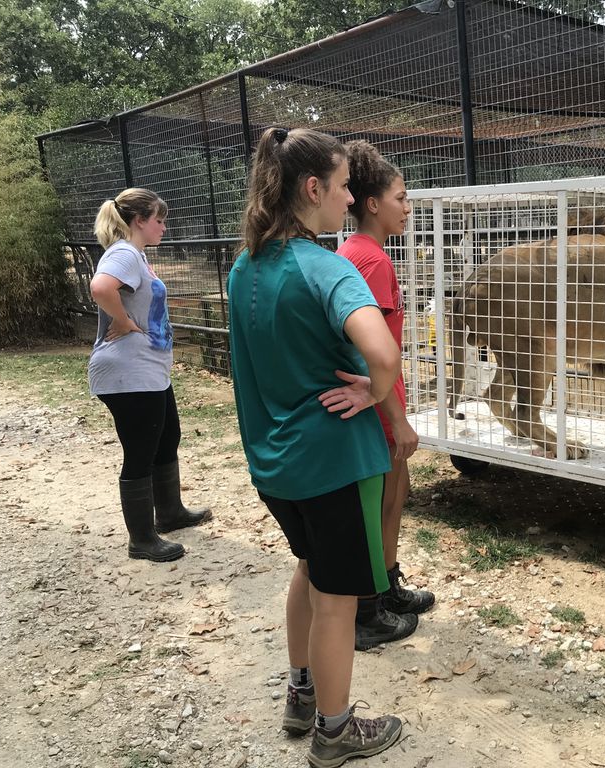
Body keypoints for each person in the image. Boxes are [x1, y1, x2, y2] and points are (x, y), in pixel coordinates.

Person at [227, 127, 403, 768]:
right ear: (312, 189)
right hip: (333, 463)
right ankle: (335, 731)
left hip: (274, 465)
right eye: (343, 184)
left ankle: (301, 695)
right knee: (338, 598)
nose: (350, 194)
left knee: (308, 569)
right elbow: (383, 352)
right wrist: (372, 389)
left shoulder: (246, 264)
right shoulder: (325, 267)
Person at [334, 140, 434, 651]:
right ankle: (372, 602)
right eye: (401, 197)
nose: (407, 207)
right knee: (383, 505)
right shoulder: (369, 260)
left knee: (394, 499)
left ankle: (386, 584)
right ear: (372, 204)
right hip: (377, 407)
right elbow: (374, 355)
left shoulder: (357, 254)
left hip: (378, 402)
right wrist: (397, 418)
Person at [89, 188, 211, 563]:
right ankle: (141, 539)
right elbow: (100, 287)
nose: (164, 227)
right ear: (139, 221)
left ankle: (170, 513)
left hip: (147, 370)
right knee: (141, 450)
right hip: (128, 373)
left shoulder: (135, 255)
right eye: (159, 220)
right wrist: (123, 322)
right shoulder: (125, 252)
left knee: (167, 435)